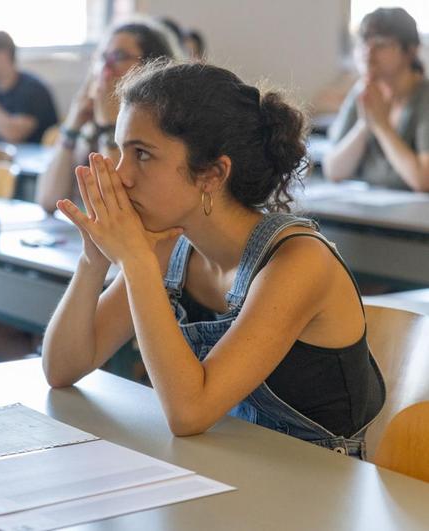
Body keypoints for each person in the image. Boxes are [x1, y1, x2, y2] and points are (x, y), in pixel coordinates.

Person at [42, 59, 385, 458]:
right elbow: (62, 369)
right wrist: (93, 260)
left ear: (212, 174)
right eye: (120, 151)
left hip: (320, 487)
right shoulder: (171, 244)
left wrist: (136, 265)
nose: (121, 175)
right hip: (227, 465)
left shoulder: (298, 262)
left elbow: (189, 413)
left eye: (143, 155)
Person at [35, 18, 180, 213]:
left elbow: (117, 208)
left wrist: (109, 126)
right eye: (102, 58)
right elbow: (49, 200)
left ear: (151, 65)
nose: (106, 69)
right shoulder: (90, 125)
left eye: (119, 57)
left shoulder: (162, 127)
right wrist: (72, 125)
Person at [324, 7, 429, 191]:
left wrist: (381, 125)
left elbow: (423, 181)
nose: (368, 51)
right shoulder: (362, 91)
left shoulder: (423, 97)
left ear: (410, 51)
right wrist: (365, 125)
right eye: (363, 42)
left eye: (381, 44)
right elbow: (333, 170)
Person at [0, 31, 58, 145]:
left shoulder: (33, 89)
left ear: (2, 56)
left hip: (38, 156)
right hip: (7, 157)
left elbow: (14, 135)